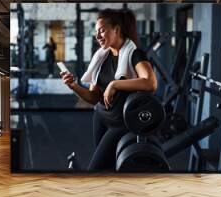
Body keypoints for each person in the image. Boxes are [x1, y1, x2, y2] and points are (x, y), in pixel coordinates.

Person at [59, 9, 157, 170]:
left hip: (121, 123)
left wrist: (114, 84)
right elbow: (93, 97)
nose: (97, 36)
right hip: (101, 117)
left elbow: (150, 83)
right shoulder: (101, 57)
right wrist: (73, 86)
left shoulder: (135, 54)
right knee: (107, 169)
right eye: (96, 32)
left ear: (117, 29)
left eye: (102, 30)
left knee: (96, 169)